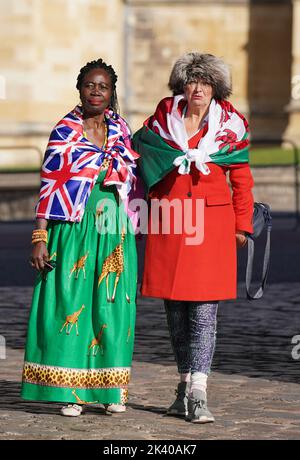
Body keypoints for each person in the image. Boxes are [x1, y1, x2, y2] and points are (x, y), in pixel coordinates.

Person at [133, 52, 254, 423]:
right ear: (182, 85)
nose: (198, 88)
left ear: (216, 87)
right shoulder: (160, 122)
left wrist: (242, 225)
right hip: (169, 223)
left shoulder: (230, 126)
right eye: (192, 81)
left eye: (206, 82)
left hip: (213, 228)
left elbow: (242, 180)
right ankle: (182, 387)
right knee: (176, 313)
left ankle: (199, 392)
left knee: (203, 312)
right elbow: (139, 159)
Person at [21, 58, 139, 417]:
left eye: (103, 86)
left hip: (113, 230)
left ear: (111, 91)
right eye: (90, 85)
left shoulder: (121, 130)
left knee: (111, 305)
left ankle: (110, 390)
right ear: (80, 89)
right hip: (72, 228)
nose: (96, 92)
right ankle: (72, 392)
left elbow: (133, 178)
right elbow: (49, 187)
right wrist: (39, 236)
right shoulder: (64, 132)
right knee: (70, 304)